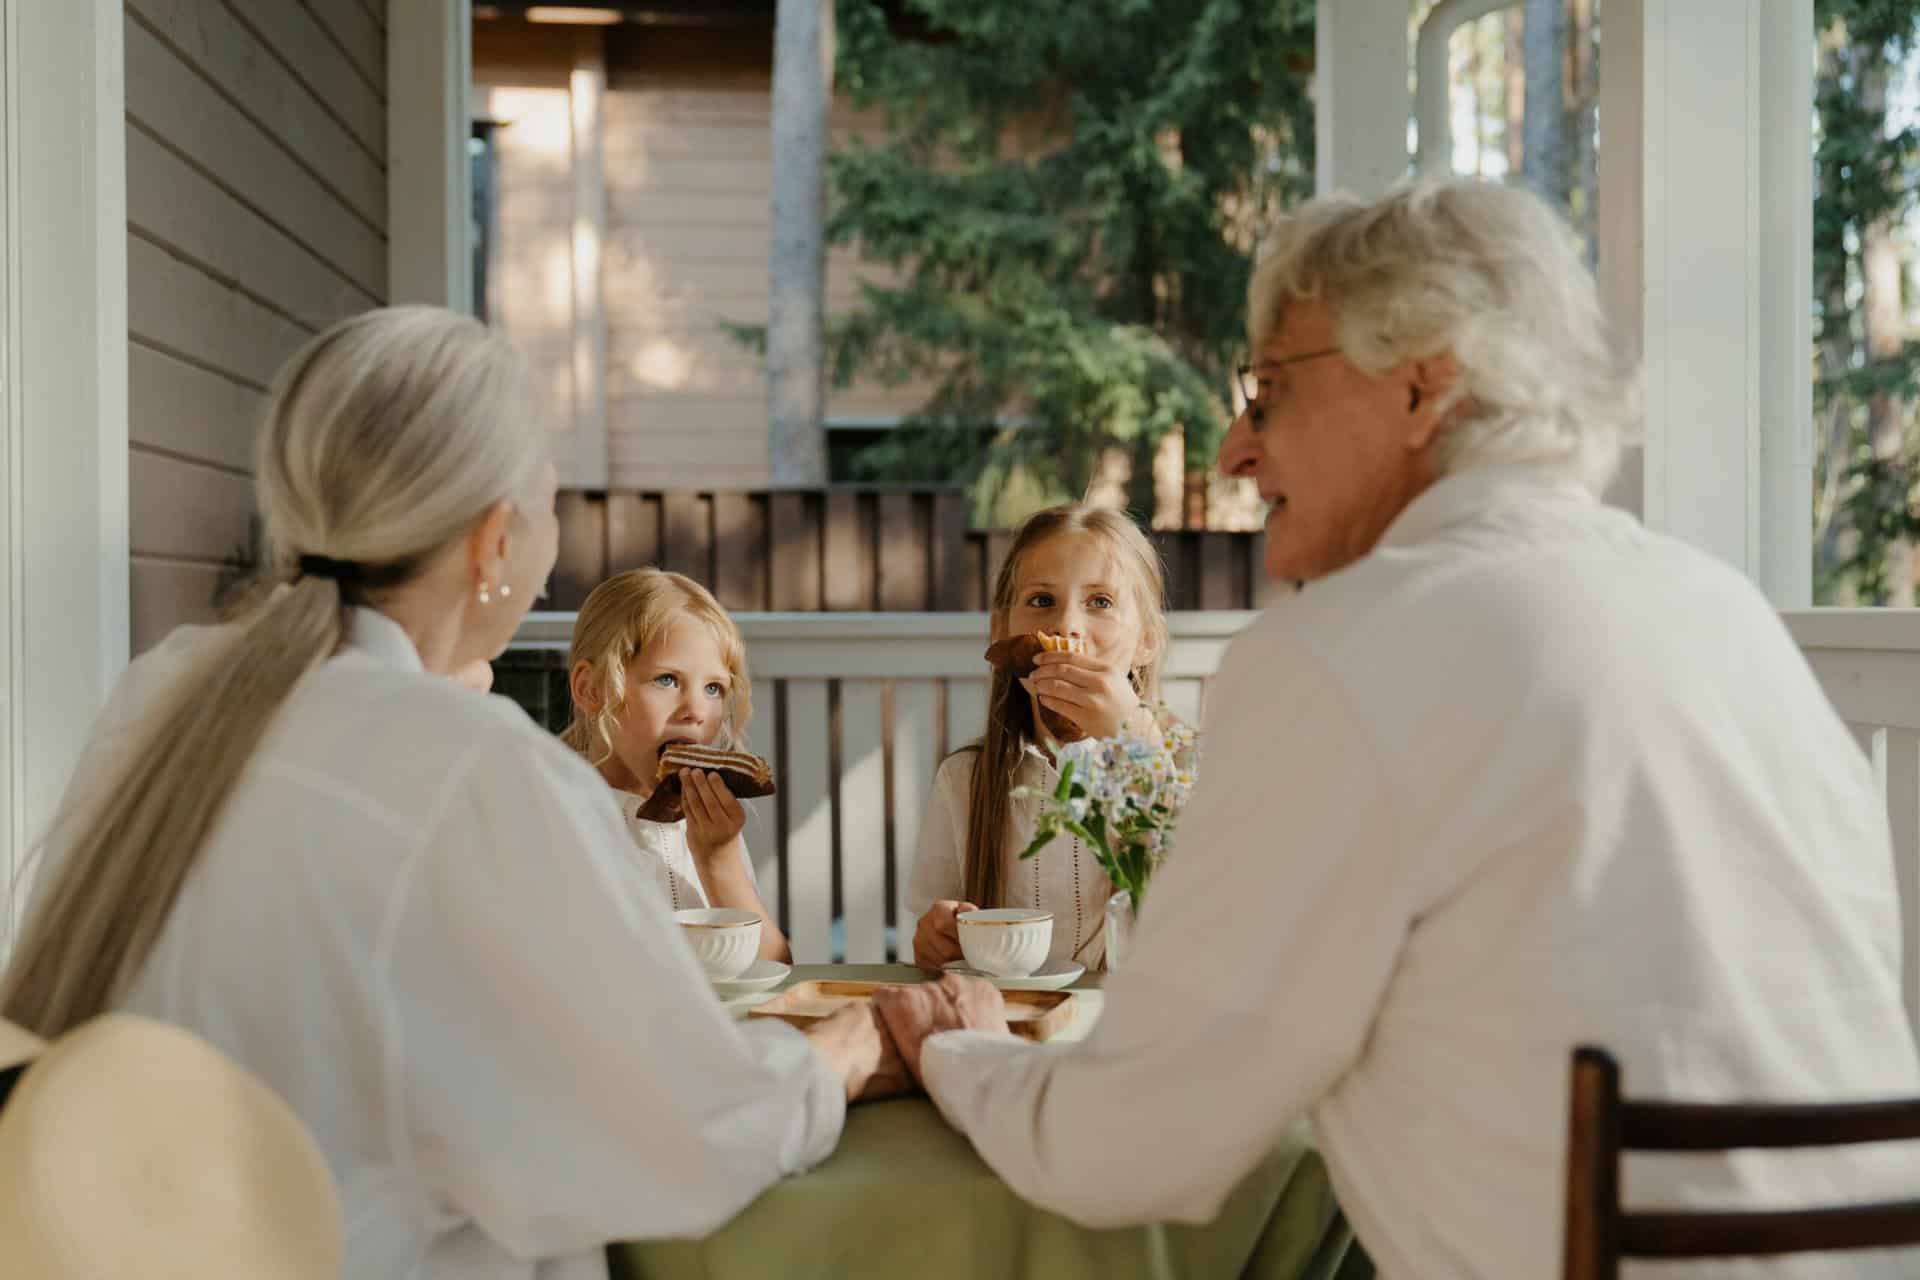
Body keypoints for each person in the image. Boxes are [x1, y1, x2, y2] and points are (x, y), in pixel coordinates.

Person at [871, 179, 1920, 1278]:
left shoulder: (1340, 652)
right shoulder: (1727, 617)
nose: (1236, 448)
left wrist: (962, 1048)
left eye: (1267, 390)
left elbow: (1125, 1146)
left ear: (1424, 385)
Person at [1, 306, 899, 1280]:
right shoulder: (478, 769)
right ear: (492, 543)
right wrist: (838, 1058)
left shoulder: (162, 690)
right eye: (552, 508)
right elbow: (683, 1140)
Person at [905, 505, 1177, 972]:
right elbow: (931, 944)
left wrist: (1136, 739)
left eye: (1101, 602)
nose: (1065, 626)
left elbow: (1212, 913)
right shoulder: (963, 781)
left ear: (1146, 642)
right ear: (1001, 632)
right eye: (1042, 601)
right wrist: (935, 939)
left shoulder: (1187, 771)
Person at [563, 567, 790, 962]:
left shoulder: (707, 824)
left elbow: (775, 969)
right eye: (667, 680)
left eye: (714, 688)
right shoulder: (558, 814)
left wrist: (719, 861)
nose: (697, 710)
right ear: (591, 689)